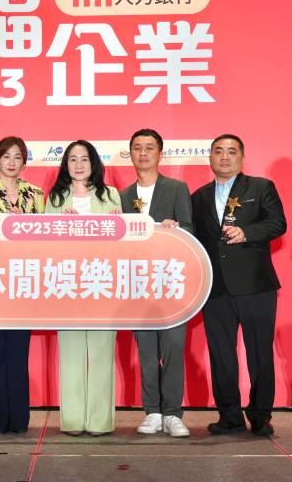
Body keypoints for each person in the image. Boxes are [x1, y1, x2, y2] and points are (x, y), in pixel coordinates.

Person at [191, 134, 286, 437]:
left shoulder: (260, 187)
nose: (224, 157)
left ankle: (260, 415)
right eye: (218, 151)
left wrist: (247, 232)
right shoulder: (199, 196)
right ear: (210, 157)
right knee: (221, 355)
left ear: (242, 158)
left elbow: (278, 223)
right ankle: (229, 416)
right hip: (215, 288)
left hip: (256, 285)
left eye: (231, 152)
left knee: (260, 353)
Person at [119, 129, 193, 438]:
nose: (143, 153)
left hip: (171, 281)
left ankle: (173, 413)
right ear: (130, 154)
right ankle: (152, 411)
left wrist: (176, 229)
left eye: (149, 148)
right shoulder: (123, 195)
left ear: (160, 154)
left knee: (174, 347)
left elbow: (190, 229)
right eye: (137, 148)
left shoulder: (176, 189)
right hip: (139, 283)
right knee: (147, 351)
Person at [45, 140, 120, 436]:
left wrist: (116, 227)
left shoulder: (110, 194)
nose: (79, 165)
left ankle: (100, 421)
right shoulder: (55, 198)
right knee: (71, 353)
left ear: (94, 163)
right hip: (67, 282)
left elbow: (123, 241)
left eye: (84, 159)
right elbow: (43, 242)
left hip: (102, 280)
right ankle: (74, 420)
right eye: (73, 159)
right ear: (66, 165)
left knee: (102, 352)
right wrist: (63, 229)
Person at [0, 136, 45, 433]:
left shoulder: (36, 194)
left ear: (24, 161)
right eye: (6, 156)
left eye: (17, 157)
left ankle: (18, 420)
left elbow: (43, 239)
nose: (12, 162)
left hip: (24, 280)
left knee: (18, 353)